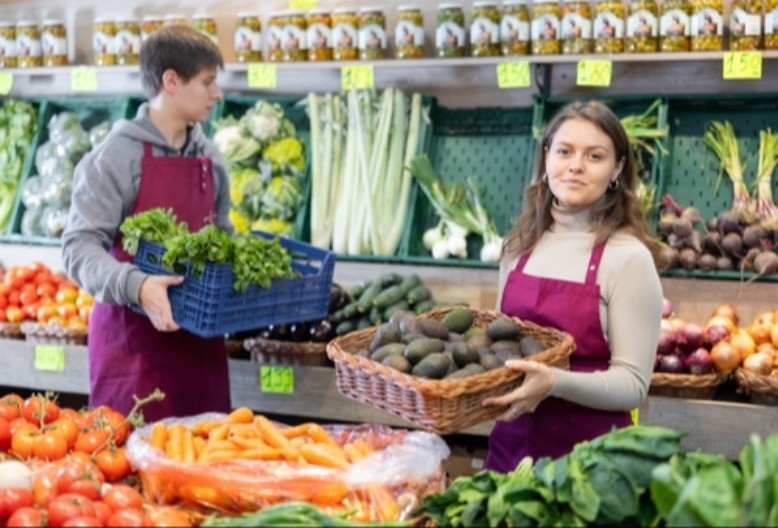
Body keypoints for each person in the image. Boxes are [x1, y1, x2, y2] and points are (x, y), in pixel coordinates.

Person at [61, 25, 232, 421]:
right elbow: (78, 247)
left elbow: (223, 241)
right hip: (133, 352)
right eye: (207, 82)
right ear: (171, 81)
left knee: (201, 472)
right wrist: (136, 286)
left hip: (201, 353)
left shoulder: (211, 158)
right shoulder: (115, 158)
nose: (217, 93)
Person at [482, 101, 663, 472]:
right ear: (547, 158)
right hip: (511, 453)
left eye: (595, 156)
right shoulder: (517, 249)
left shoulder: (627, 259)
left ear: (617, 169)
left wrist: (555, 382)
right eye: (564, 151)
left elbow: (633, 384)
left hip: (593, 466)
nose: (576, 166)